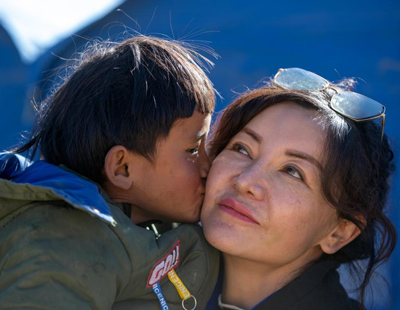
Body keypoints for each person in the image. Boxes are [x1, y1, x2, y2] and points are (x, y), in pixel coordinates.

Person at [0, 35, 219, 309]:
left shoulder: (152, 223)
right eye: (193, 151)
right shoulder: (68, 241)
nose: (208, 167)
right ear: (123, 168)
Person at [201, 68, 396, 310]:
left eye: (292, 171)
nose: (245, 182)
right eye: (242, 149)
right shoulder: (152, 278)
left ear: (340, 232)